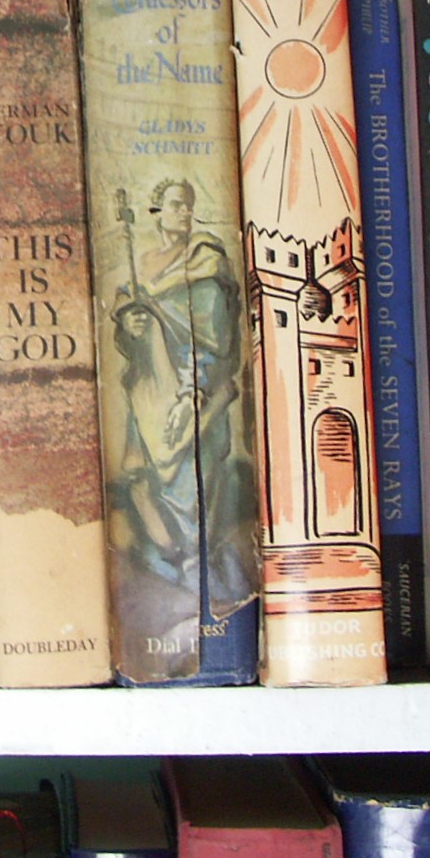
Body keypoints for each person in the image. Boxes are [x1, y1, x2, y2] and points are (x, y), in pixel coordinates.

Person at [110, 177, 257, 613]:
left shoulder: (207, 260)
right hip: (151, 392)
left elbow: (217, 334)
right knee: (148, 478)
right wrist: (130, 327)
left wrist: (194, 388)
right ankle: (169, 560)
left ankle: (200, 565)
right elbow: (131, 329)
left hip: (199, 388)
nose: (183, 213)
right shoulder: (146, 264)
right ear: (156, 211)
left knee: (196, 477)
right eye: (174, 205)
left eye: (188, 206)